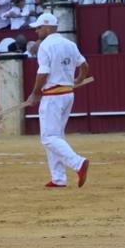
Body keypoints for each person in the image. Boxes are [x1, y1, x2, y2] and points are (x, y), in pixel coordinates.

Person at [25, 12, 90, 189]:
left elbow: (43, 73)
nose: (36, 31)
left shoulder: (45, 46)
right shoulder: (70, 44)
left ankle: (78, 163)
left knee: (48, 138)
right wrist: (78, 80)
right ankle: (58, 178)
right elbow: (84, 66)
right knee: (56, 136)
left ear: (48, 27)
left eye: (39, 27)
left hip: (53, 96)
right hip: (68, 94)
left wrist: (35, 93)